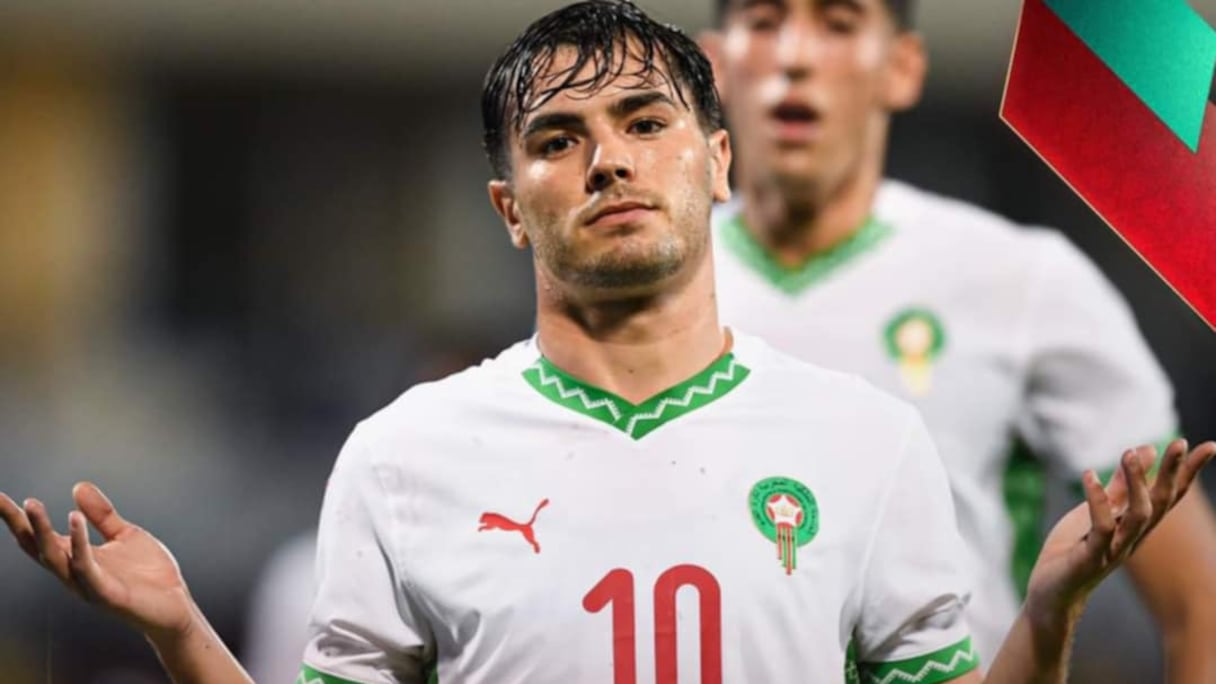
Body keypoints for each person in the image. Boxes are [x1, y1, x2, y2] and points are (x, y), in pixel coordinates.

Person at [2, 2, 1214, 682]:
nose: (608, 160)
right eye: (558, 138)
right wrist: (181, 632)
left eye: (644, 121)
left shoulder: (866, 441)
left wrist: (1043, 617)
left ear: (718, 162)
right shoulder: (403, 455)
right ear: (507, 207)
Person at [698, 0, 1216, 676]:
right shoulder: (641, 293)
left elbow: (1197, 603)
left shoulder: (1022, 280)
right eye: (765, 22)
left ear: (902, 67)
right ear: (714, 67)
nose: (794, 56)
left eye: (839, 24)